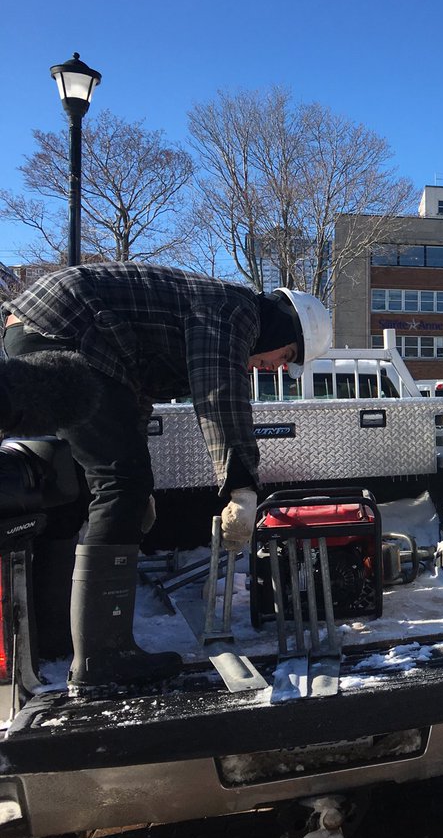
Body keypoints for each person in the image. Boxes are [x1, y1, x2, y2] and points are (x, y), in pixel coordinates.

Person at [0, 262, 332, 690]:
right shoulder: (236, 311)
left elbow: (130, 392)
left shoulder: (208, 313)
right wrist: (242, 488)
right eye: (285, 356)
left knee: (118, 485)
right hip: (67, 327)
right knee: (120, 487)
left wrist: (142, 485)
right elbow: (220, 394)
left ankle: (76, 644)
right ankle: (102, 658)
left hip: (54, 329)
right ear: (283, 327)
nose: (275, 367)